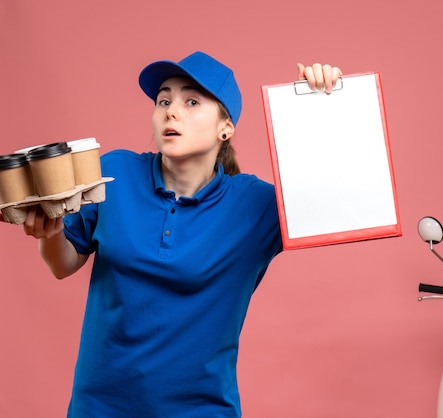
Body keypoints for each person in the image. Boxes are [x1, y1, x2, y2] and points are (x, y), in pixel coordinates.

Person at [19, 51, 342, 417]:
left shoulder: (255, 206)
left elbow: (342, 202)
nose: (171, 111)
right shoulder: (113, 172)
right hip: (100, 407)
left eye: (191, 101)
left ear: (226, 127)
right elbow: (63, 264)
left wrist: (324, 108)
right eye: (164, 100)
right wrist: (51, 232)